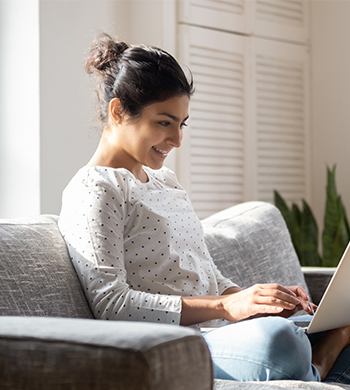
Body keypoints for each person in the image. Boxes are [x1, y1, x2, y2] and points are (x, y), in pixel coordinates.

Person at [58, 32, 350, 383]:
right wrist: (227, 308)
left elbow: (206, 275)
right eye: (164, 122)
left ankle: (320, 360)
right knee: (281, 342)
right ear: (118, 111)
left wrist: (253, 301)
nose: (177, 140)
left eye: (181, 125)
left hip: (223, 334)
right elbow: (113, 305)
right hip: (178, 344)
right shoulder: (95, 189)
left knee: (310, 325)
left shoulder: (165, 182)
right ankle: (322, 362)